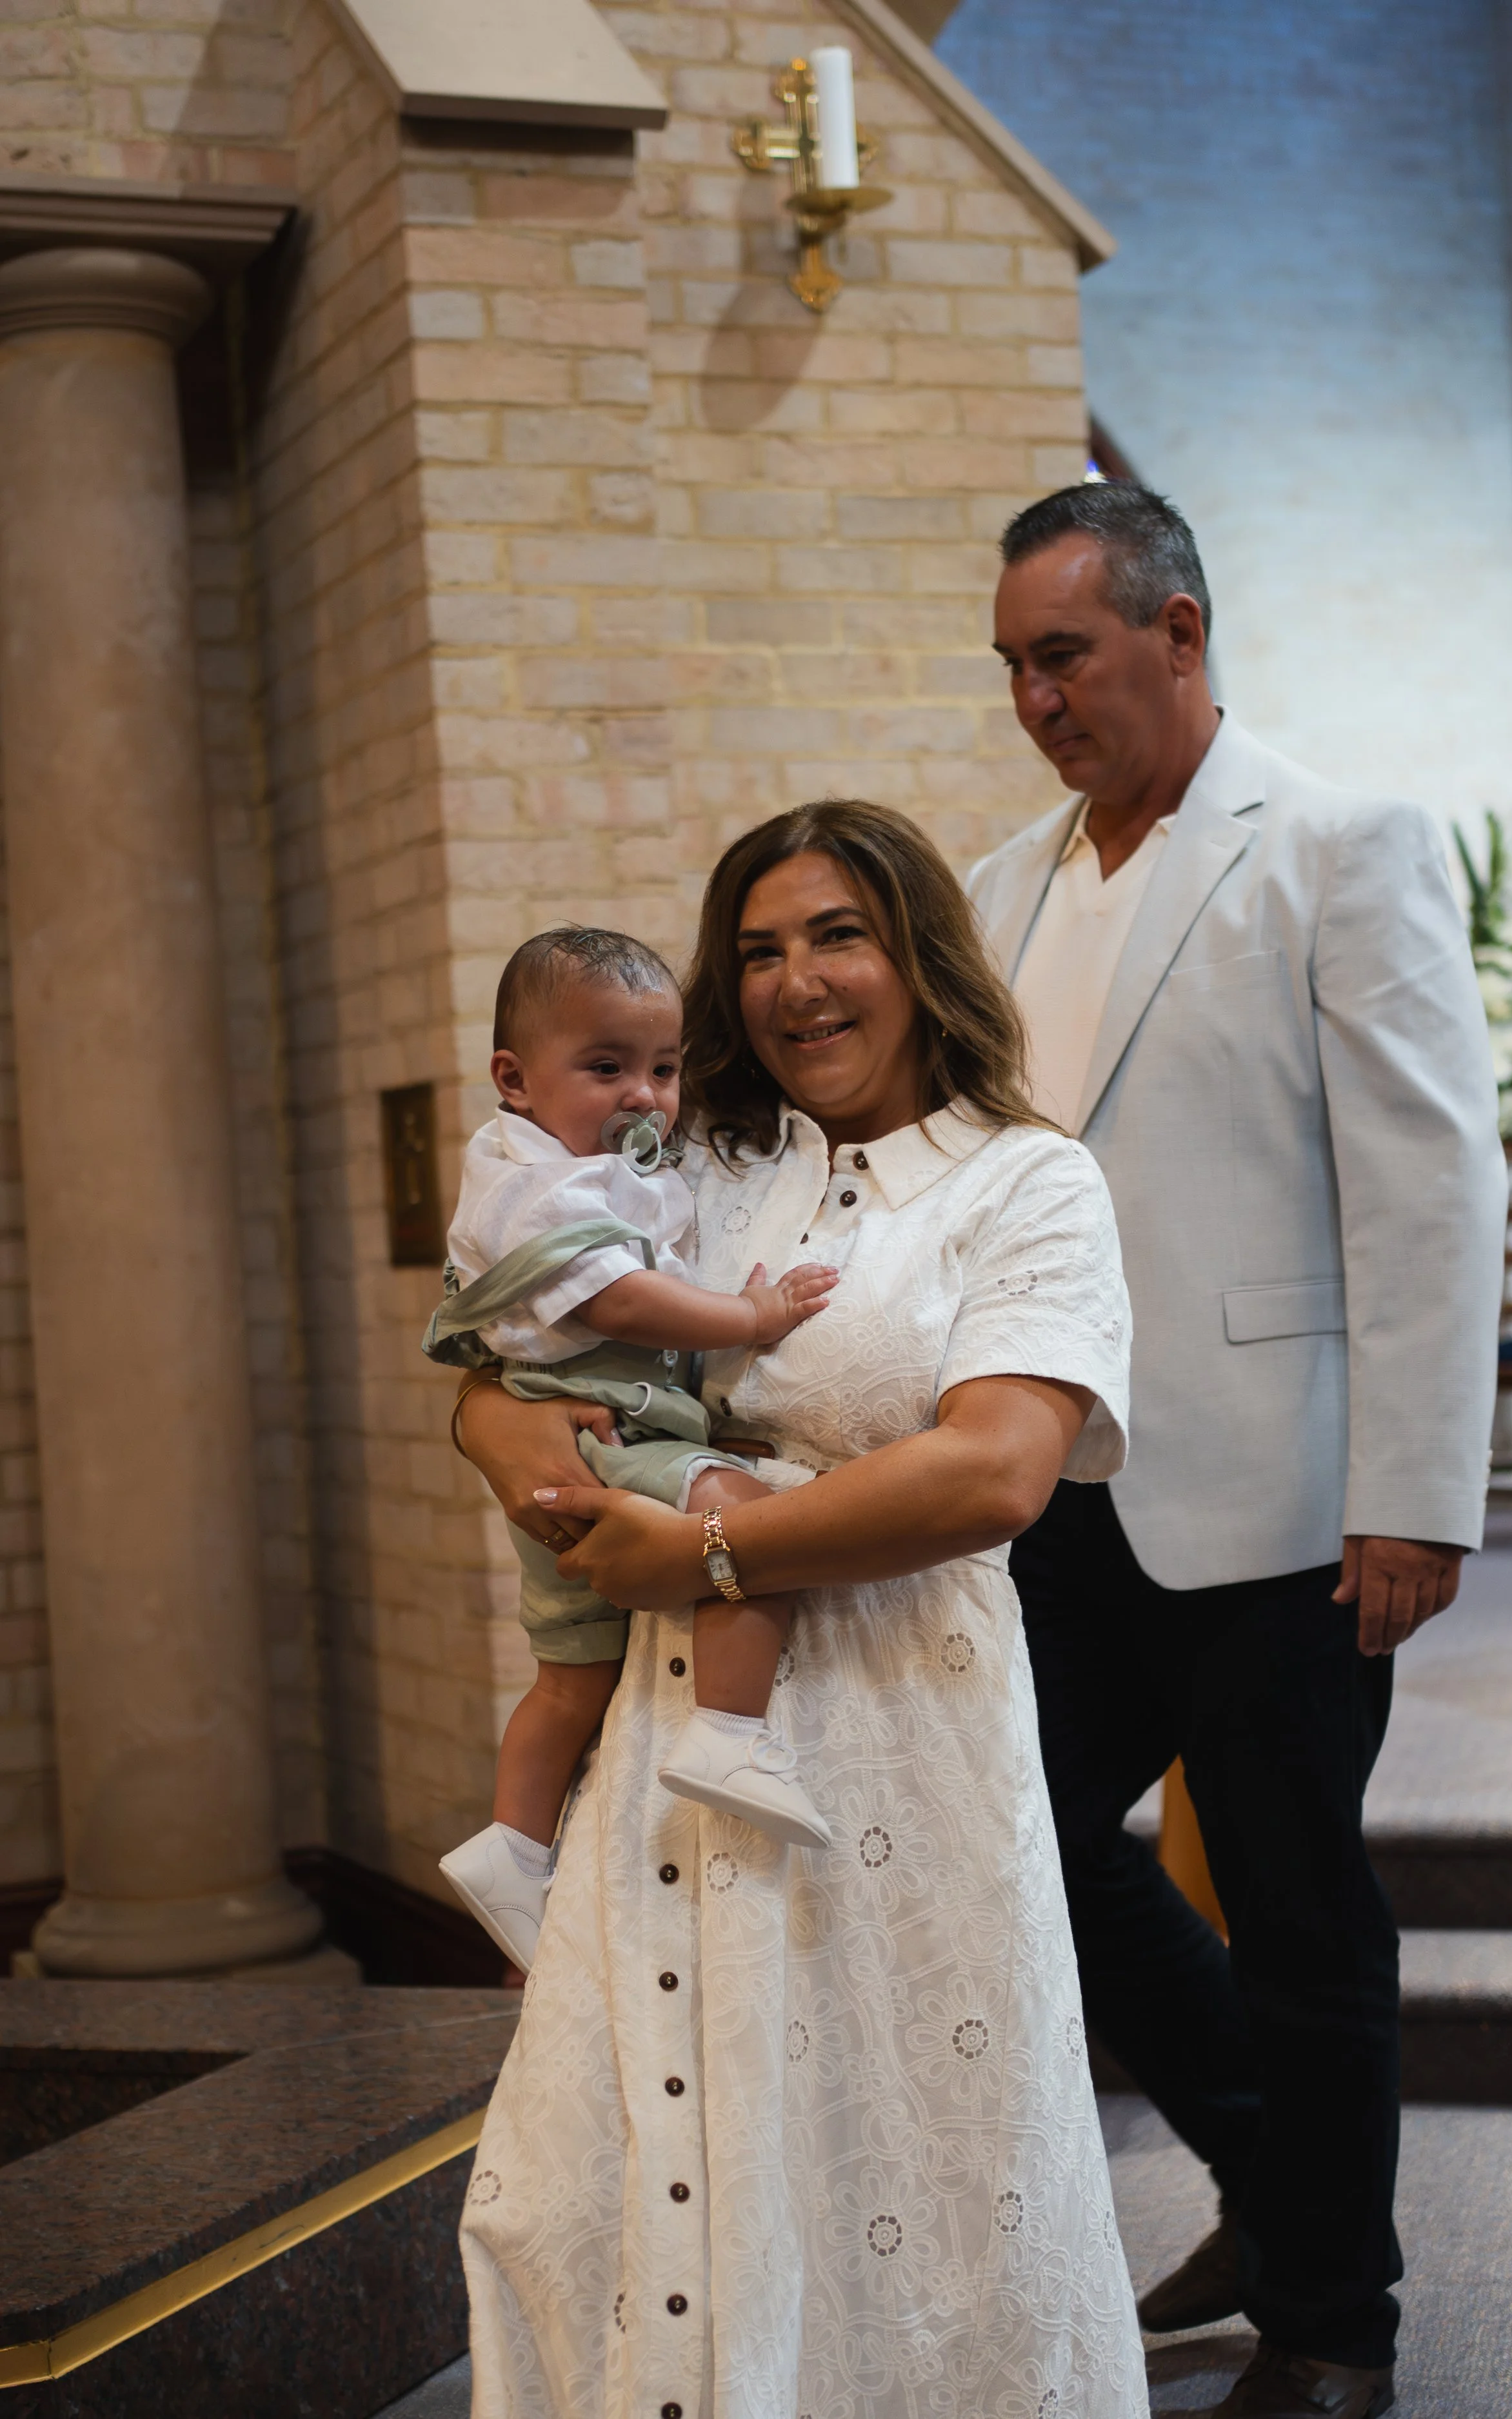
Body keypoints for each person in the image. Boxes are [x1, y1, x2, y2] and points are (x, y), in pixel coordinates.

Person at [451, 801, 1149, 2419]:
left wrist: (700, 1558)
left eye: (837, 935)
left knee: (907, 2192)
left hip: (906, 1726)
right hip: (667, 1733)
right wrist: (501, 1442)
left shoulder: (1023, 1183)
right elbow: (526, 1354)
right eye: (758, 950)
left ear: (918, 952)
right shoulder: (694, 1163)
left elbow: (989, 1475)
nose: (797, 982)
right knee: (601, 2182)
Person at [970, 482, 1507, 2419]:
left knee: (1293, 1903)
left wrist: (1414, 1492)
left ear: (1177, 635)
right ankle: (1274, 2187)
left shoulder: (1338, 844)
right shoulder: (998, 882)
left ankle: (1335, 2321)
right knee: (1012, 1840)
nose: (1035, 698)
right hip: (1055, 1486)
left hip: (1288, 1495)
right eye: (1015, 664)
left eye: (1066, 654)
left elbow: (1427, 1177)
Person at [428, 926, 841, 1975]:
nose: (645, 1098)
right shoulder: (539, 1178)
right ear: (513, 1080)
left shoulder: (585, 1160)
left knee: (571, 1674)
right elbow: (614, 1294)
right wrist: (747, 1316)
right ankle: (730, 1736)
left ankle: (514, 1850)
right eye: (606, 1068)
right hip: (615, 1426)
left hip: (574, 1435)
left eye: (663, 1069)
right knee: (753, 1521)